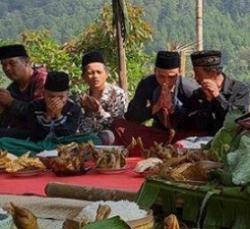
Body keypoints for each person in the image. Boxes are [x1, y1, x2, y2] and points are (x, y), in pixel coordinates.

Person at [114, 51, 198, 149]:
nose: (166, 81)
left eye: (171, 77)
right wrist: (155, 107)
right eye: (161, 76)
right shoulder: (147, 84)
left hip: (181, 135)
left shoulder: (189, 88)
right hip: (157, 134)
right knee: (118, 125)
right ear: (155, 71)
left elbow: (197, 120)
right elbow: (131, 116)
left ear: (179, 72)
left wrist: (173, 109)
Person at [186, 50, 250, 135]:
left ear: (212, 73)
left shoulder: (240, 90)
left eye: (198, 74)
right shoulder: (198, 94)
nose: (196, 78)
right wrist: (208, 102)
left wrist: (217, 97)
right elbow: (195, 124)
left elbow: (237, 120)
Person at [10, 71, 81, 141]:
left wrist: (58, 116)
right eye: (51, 96)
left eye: (61, 97)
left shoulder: (74, 109)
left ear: (67, 95)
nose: (55, 101)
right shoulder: (34, 107)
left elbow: (67, 137)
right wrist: (48, 117)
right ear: (44, 93)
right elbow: (35, 137)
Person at [77, 51, 127, 144]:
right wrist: (87, 112)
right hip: (89, 141)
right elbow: (81, 129)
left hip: (112, 140)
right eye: (90, 73)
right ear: (84, 77)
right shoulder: (81, 98)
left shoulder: (117, 94)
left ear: (106, 74)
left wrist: (99, 111)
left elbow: (117, 124)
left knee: (107, 135)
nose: (95, 76)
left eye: (99, 72)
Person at [0, 44, 47, 138]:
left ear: (27, 62)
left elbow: (39, 114)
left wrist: (11, 102)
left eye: (12, 63)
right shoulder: (12, 88)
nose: (7, 69)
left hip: (40, 134)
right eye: (4, 65)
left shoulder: (42, 80)